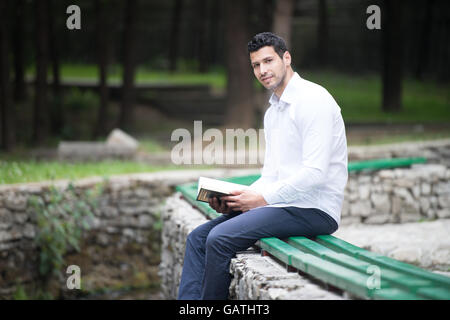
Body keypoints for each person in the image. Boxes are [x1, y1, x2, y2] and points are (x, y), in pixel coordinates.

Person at [177, 32, 348, 300]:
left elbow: (316, 173)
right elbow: (270, 175)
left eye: (269, 61)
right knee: (197, 238)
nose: (263, 70)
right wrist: (237, 199)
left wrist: (262, 198)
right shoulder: (273, 112)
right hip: (282, 206)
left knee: (219, 238)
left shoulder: (314, 100)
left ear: (286, 58)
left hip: (314, 208)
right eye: (256, 65)